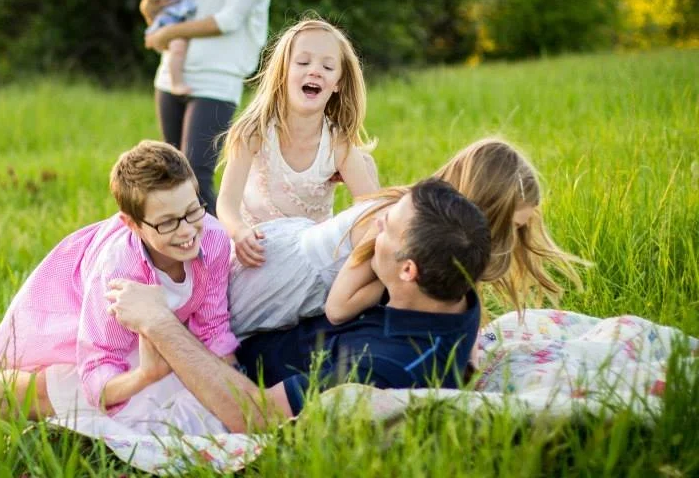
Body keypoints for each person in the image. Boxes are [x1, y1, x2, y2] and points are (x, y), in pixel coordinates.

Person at [106, 178, 492, 433]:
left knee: (70, 384)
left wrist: (159, 323)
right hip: (235, 323)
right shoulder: (453, 294)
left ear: (409, 270)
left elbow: (255, 415)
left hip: (230, 375)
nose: (375, 227)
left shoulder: (382, 365)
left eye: (386, 228)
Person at [226, 137, 586, 338]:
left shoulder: (430, 224)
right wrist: (388, 283)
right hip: (277, 276)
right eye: (512, 226)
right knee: (223, 335)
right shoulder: (395, 223)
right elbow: (338, 308)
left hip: (300, 267)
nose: (513, 237)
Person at [0, 141, 238, 419]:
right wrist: (145, 376)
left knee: (191, 402)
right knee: (104, 404)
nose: (187, 231)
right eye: (167, 223)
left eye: (192, 211)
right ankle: (3, 389)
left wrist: (235, 391)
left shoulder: (212, 239)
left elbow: (213, 326)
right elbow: (99, 367)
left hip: (158, 336)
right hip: (95, 335)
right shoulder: (118, 271)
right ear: (133, 224)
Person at [144, 0, 272, 213]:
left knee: (196, 176)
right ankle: (180, 265)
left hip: (217, 76)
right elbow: (159, 10)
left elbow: (230, 18)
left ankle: (221, 262)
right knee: (171, 179)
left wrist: (171, 32)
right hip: (173, 74)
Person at [216, 18, 380, 269]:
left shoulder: (338, 144)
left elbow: (370, 210)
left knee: (369, 171)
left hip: (310, 260)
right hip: (257, 252)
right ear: (284, 72)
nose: (314, 70)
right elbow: (226, 203)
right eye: (303, 62)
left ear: (338, 84)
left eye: (327, 67)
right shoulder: (255, 132)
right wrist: (239, 232)